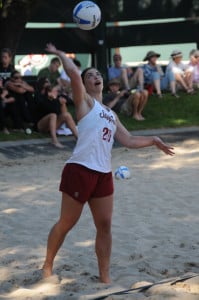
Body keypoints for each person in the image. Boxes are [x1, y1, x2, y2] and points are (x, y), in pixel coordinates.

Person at [42, 43, 175, 284]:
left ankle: (105, 277)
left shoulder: (110, 114)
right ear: (84, 84)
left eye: (98, 74)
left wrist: (153, 140)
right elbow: (73, 73)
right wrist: (62, 53)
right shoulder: (84, 104)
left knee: (105, 226)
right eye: (90, 75)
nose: (96, 77)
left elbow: (129, 140)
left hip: (103, 174)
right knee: (67, 223)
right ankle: (48, 265)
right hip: (80, 169)